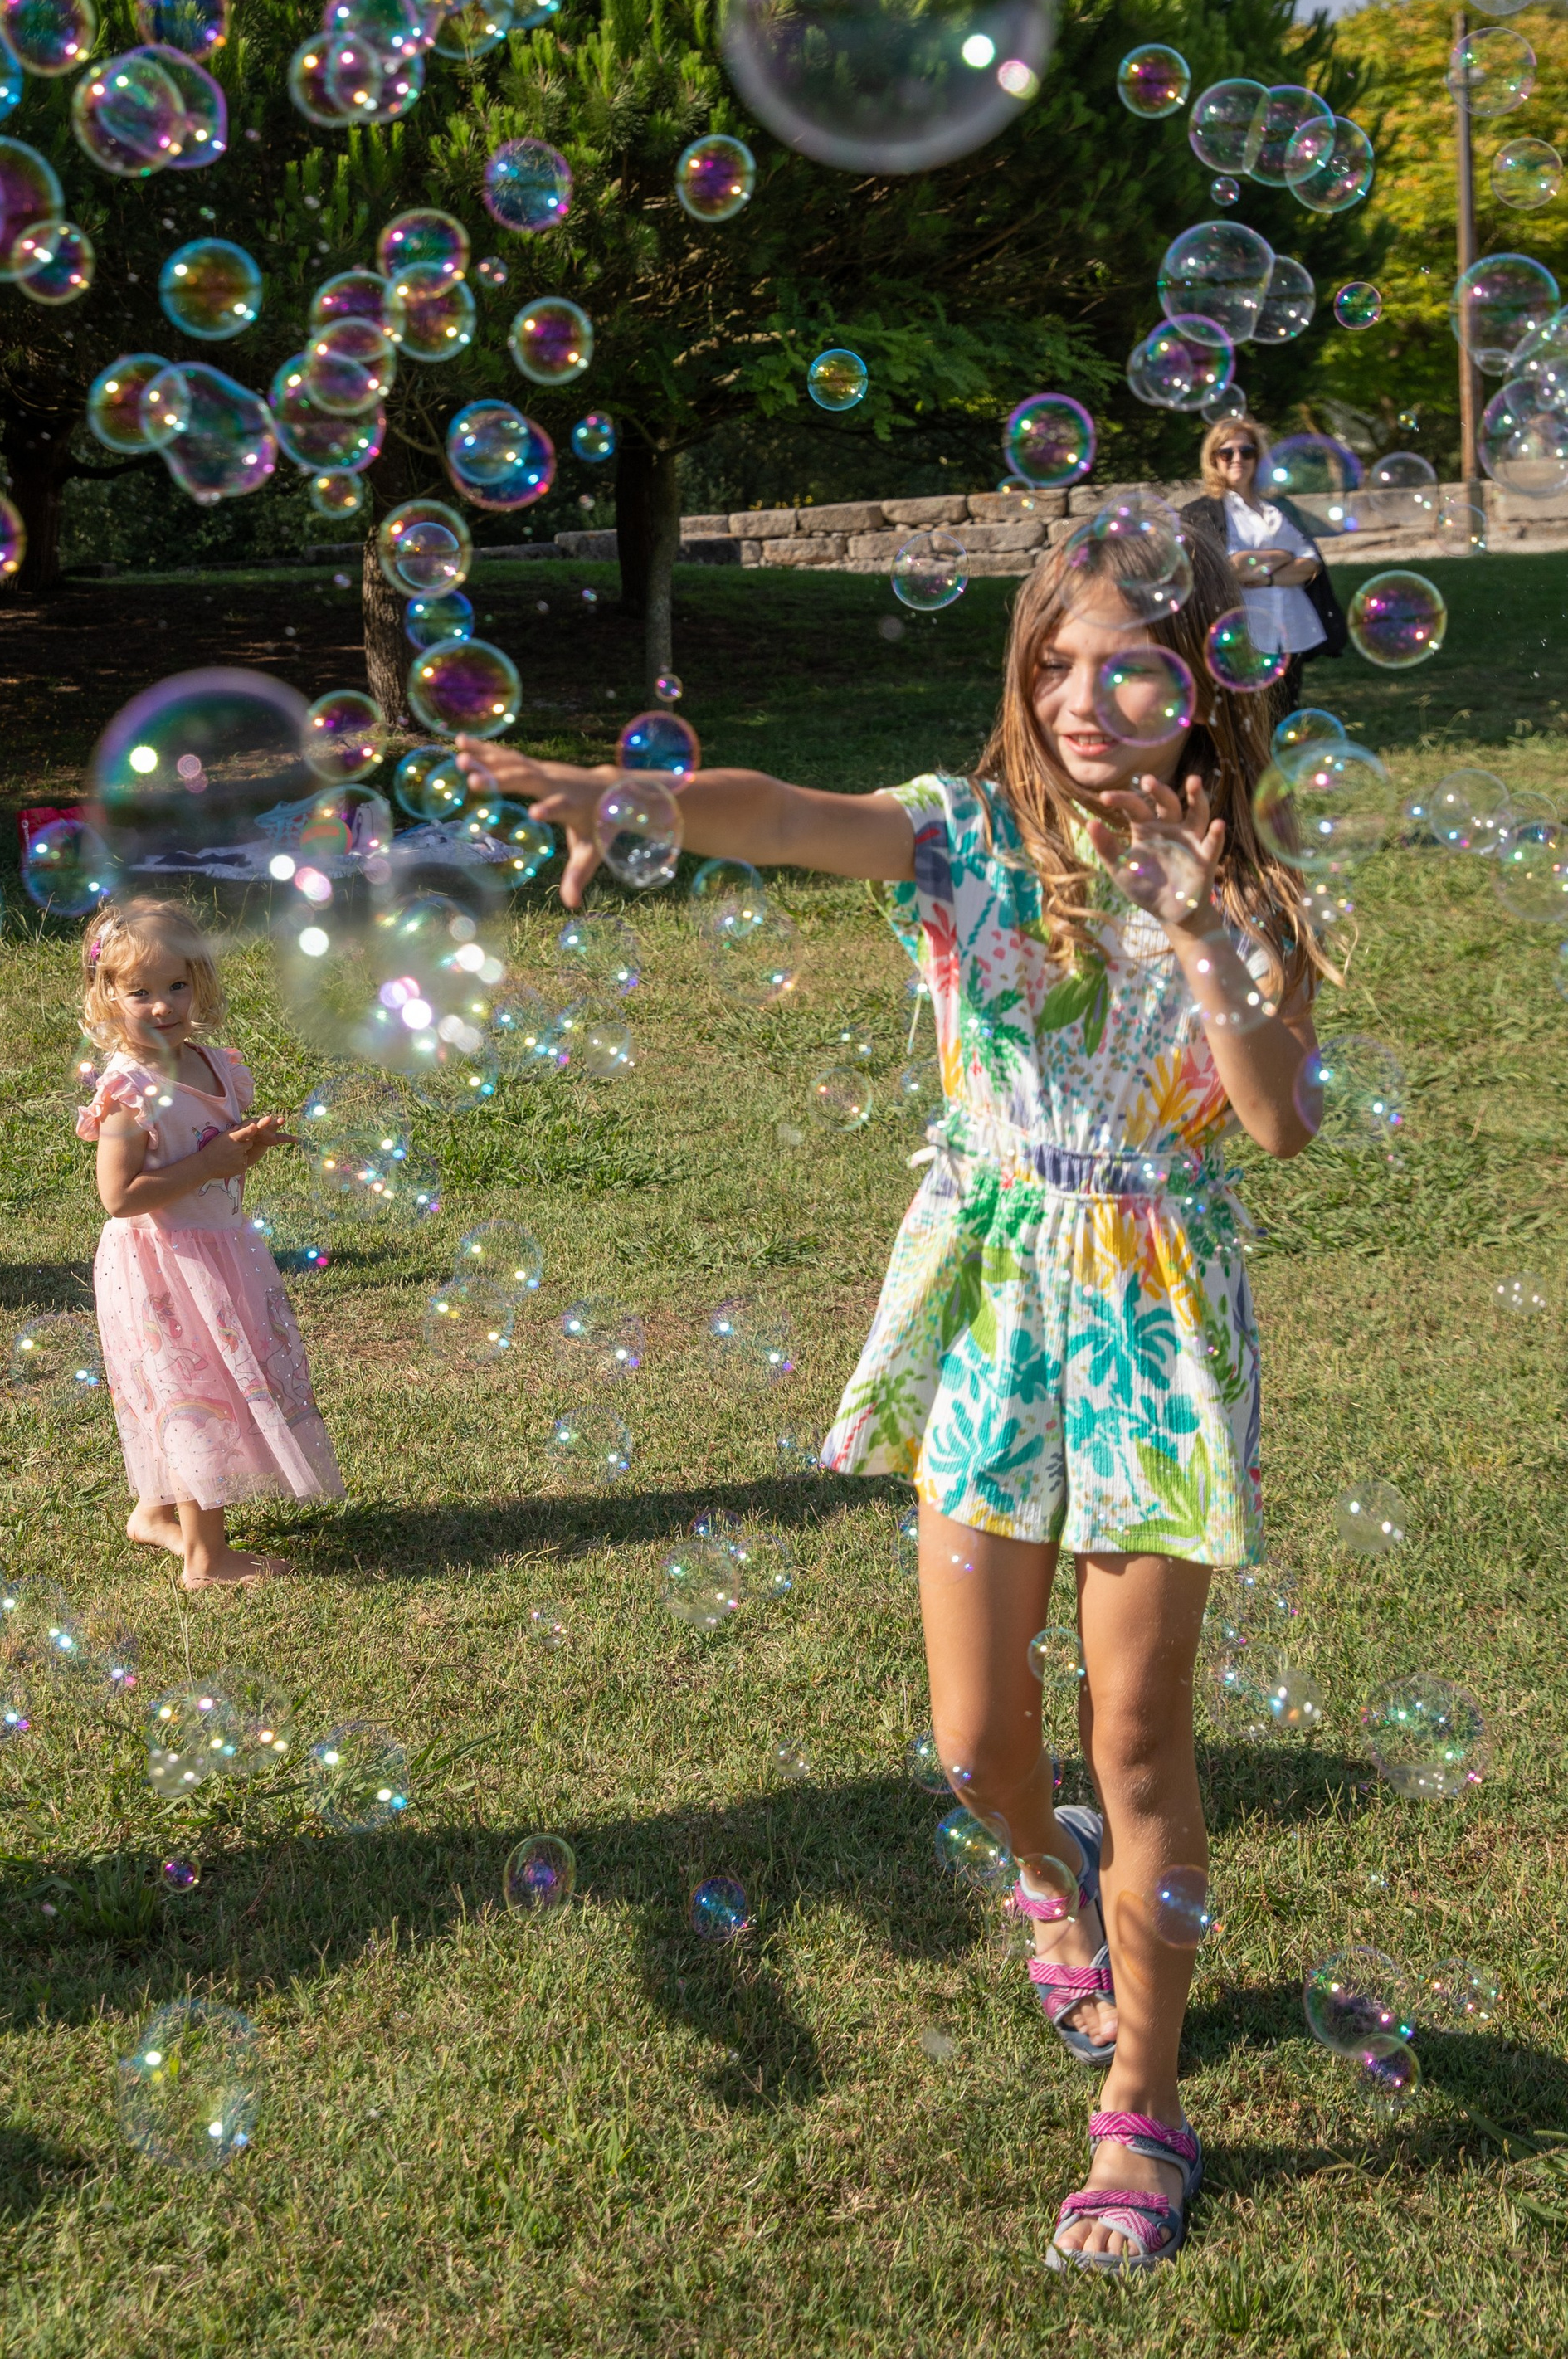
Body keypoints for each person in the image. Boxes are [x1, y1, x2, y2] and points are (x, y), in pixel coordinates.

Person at [460, 516, 1327, 2273]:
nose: (1088, 699)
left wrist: (1195, 931)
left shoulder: (1240, 886)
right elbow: (786, 815)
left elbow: (1277, 1119)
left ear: (1206, 690)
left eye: (1131, 668)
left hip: (1153, 1306)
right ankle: (1044, 1866)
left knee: (1138, 1730)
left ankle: (1142, 2106)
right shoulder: (959, 839)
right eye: (1059, 663)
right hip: (998, 1295)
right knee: (968, 1743)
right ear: (1023, 675)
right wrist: (637, 802)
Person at [77, 895, 343, 1586]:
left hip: (219, 1251)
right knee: (192, 1391)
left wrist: (241, 1151)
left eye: (176, 986)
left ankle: (153, 1512)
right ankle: (206, 1558)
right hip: (161, 1263)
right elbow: (118, 1197)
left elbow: (210, 1156)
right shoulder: (129, 1090)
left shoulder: (215, 1066)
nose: (162, 1006)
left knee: (212, 1379)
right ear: (107, 995)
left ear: (200, 981)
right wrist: (210, 1164)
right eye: (140, 993)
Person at [1182, 415, 1347, 719]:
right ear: (1213, 459)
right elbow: (1230, 568)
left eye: (1247, 451)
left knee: (1284, 710)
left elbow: (1311, 565)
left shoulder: (1280, 508)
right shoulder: (1201, 512)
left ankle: (1277, 764)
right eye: (1226, 452)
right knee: (1242, 716)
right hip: (1239, 630)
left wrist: (1266, 576)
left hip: (1290, 625)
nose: (1237, 459)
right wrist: (1284, 555)